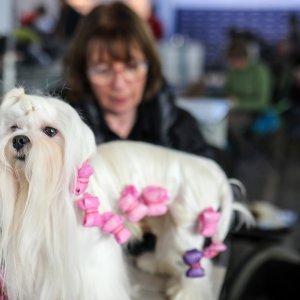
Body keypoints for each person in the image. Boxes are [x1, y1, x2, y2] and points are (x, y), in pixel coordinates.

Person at [61, 1, 232, 254]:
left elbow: (218, 197)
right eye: (103, 69)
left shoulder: (177, 124)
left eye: (132, 66)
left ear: (150, 65)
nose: (120, 84)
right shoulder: (62, 132)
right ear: (82, 72)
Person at [223, 40, 272, 133]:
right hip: (233, 111)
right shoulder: (231, 71)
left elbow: (263, 102)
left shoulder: (259, 71)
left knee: (224, 124)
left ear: (243, 58)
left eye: (234, 60)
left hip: (254, 113)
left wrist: (238, 103)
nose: (232, 64)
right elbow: (227, 93)